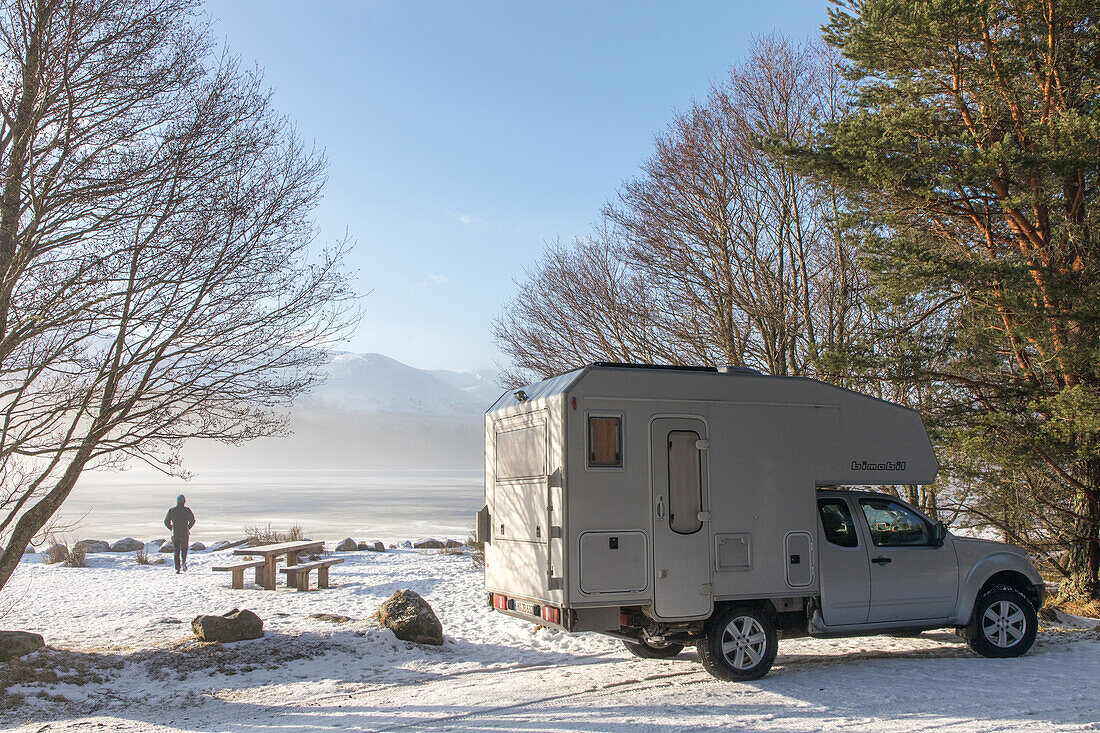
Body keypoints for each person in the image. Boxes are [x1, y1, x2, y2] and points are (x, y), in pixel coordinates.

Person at [164, 495, 196, 573]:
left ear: (177, 502)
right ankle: (183, 561)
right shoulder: (187, 510)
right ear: (184, 501)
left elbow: (166, 522)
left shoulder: (172, 510)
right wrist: (188, 527)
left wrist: (171, 528)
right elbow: (192, 520)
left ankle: (177, 568)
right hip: (184, 533)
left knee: (176, 550)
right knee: (184, 549)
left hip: (175, 534)